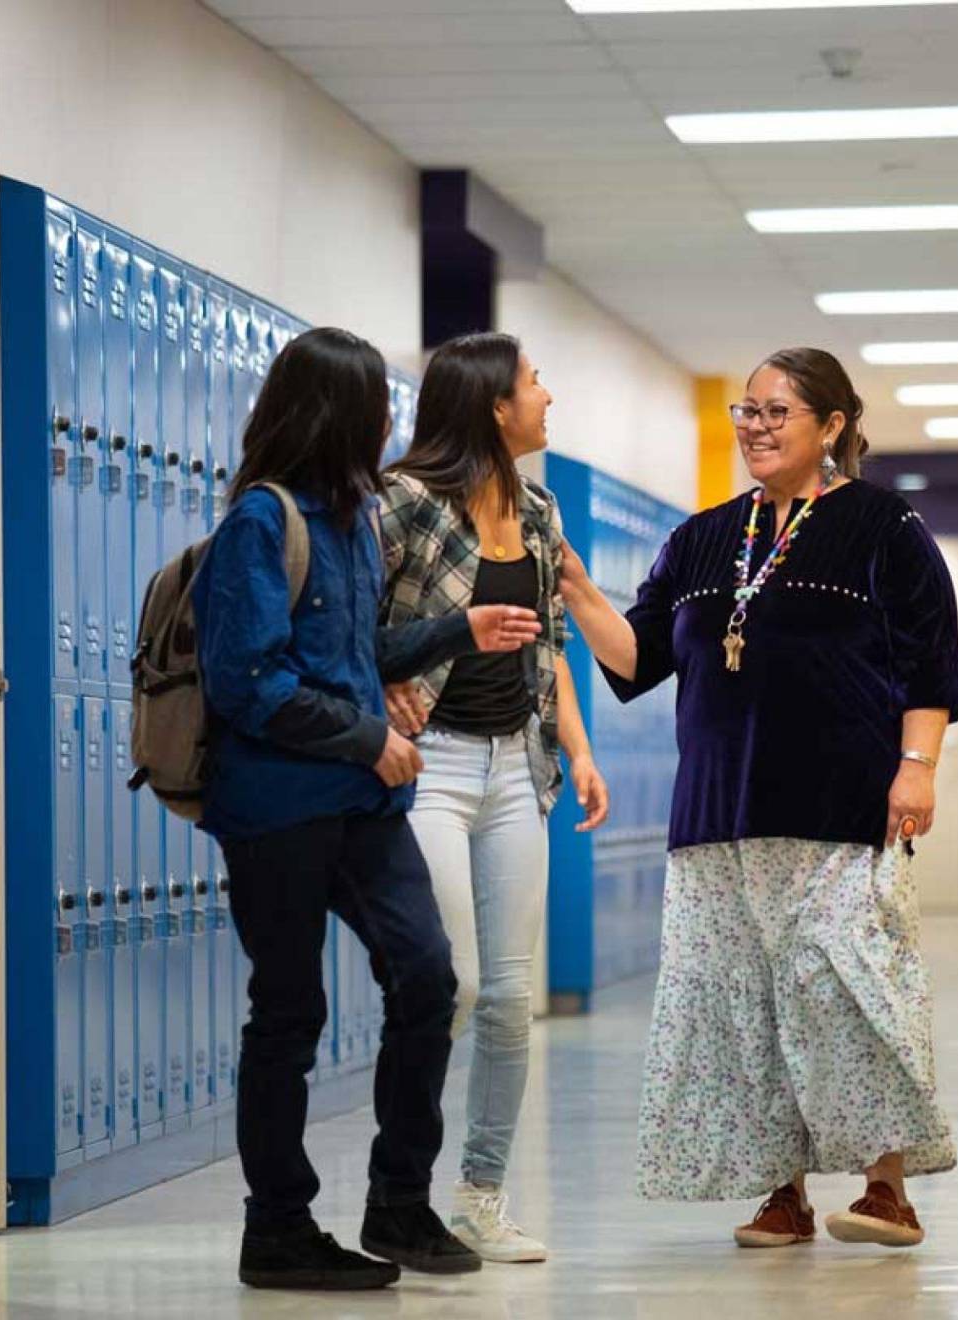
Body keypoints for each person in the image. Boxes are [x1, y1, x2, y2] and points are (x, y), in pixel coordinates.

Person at [557, 347, 958, 1250]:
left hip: (841, 801)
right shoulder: (703, 537)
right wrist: (579, 589)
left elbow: (930, 657)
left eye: (778, 412)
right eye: (747, 411)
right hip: (717, 813)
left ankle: (885, 1186)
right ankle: (780, 1192)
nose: (756, 426)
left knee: (846, 989)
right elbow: (638, 657)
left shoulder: (881, 525)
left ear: (831, 427)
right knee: (741, 1002)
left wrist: (919, 764)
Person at [193, 327, 544, 1291]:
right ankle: (278, 1229)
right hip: (279, 810)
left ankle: (399, 1203)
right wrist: (366, 739)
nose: (392, 420)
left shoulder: (349, 520)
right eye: (378, 405)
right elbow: (249, 684)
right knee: (289, 1012)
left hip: (362, 803)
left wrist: (453, 631)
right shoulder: (261, 525)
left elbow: (356, 662)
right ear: (335, 412)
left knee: (429, 980)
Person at [379, 333, 609, 1263]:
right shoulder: (405, 505)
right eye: (533, 382)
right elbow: (347, 619)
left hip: (518, 763)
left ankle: (479, 1194)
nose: (547, 396)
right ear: (492, 406)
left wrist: (580, 752)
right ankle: (400, 1190)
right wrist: (377, 700)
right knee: (455, 983)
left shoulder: (541, 511)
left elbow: (550, 643)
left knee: (513, 999)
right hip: (430, 762)